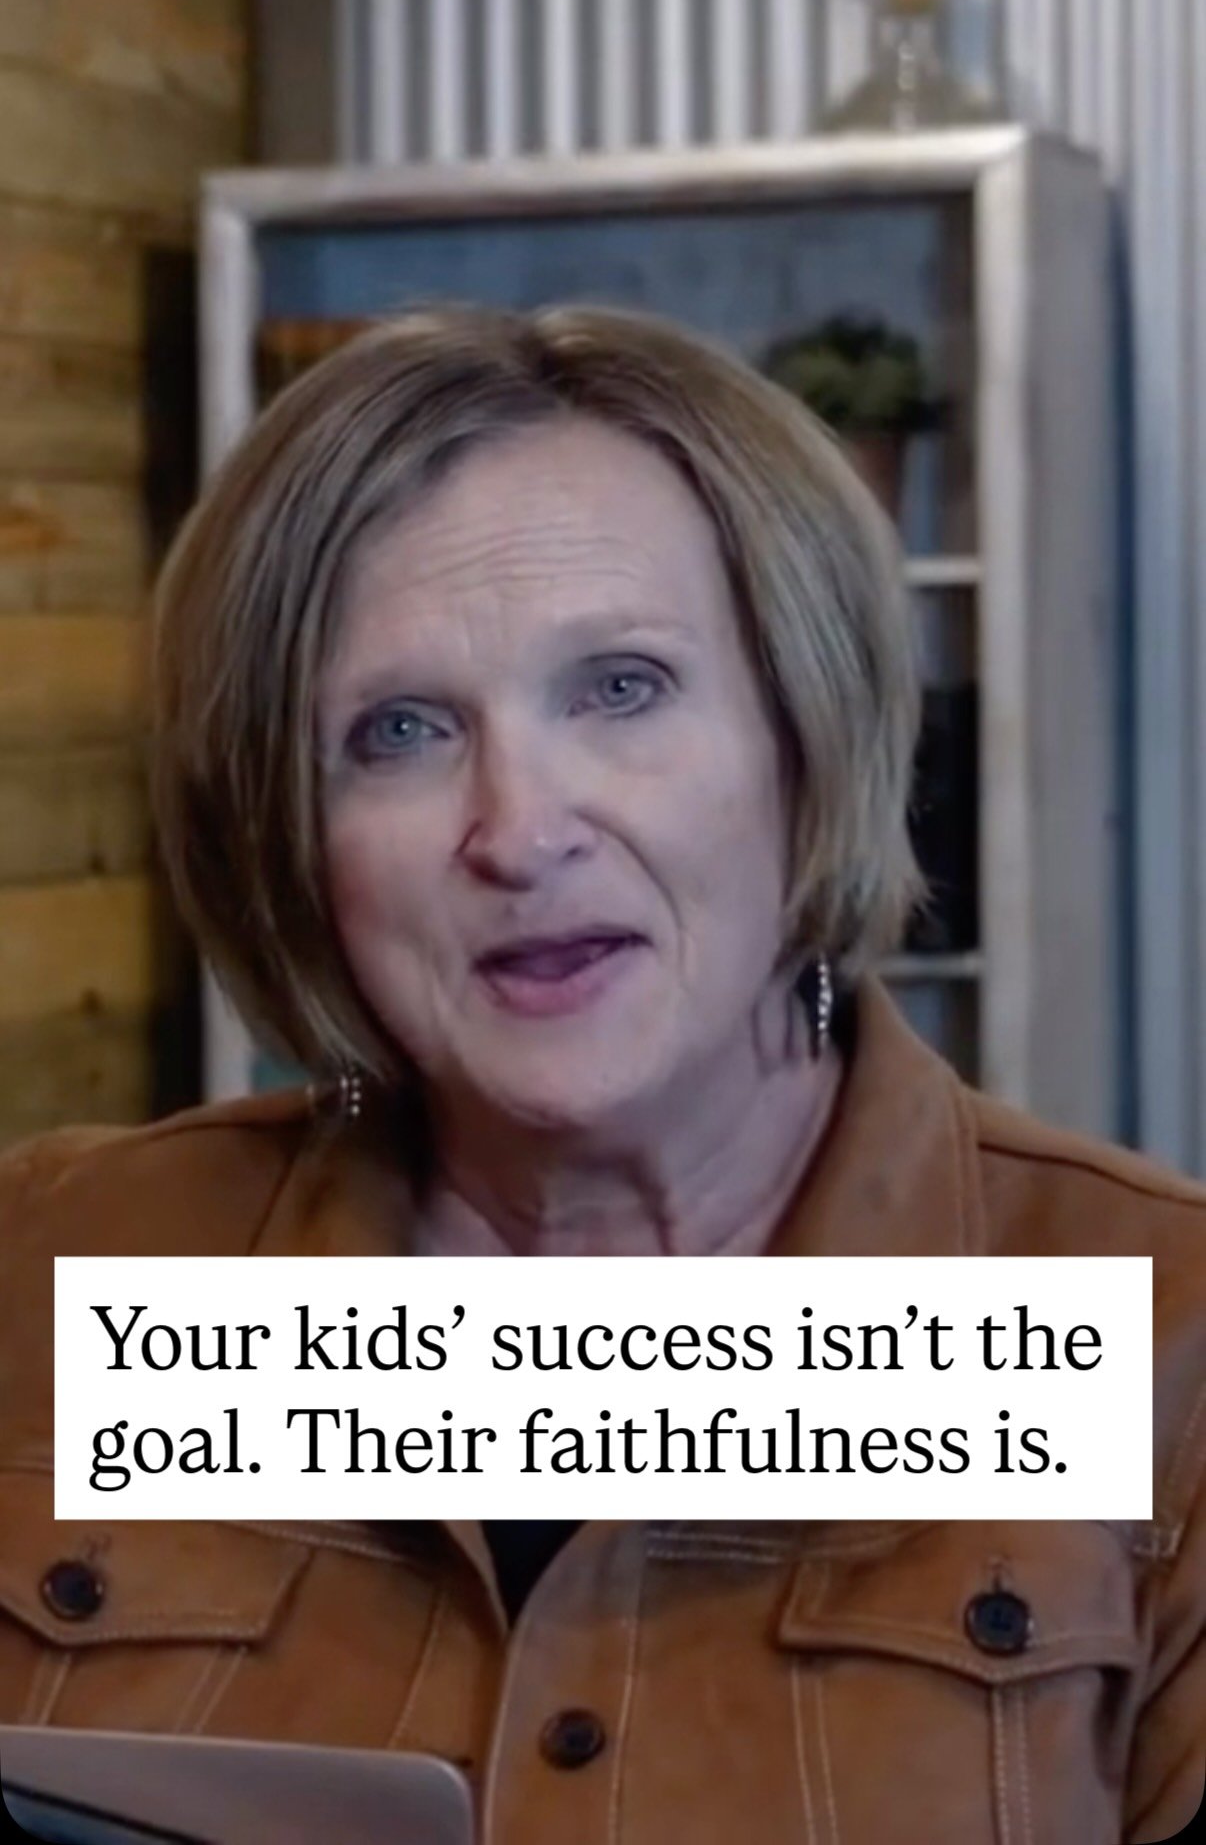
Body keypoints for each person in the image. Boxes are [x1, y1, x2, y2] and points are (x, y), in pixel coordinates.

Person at [0, 304, 1202, 1844]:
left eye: (621, 688)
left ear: (805, 730)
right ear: (287, 834)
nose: (518, 831)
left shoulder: (1166, 1348)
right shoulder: (57, 1267)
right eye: (398, 730)